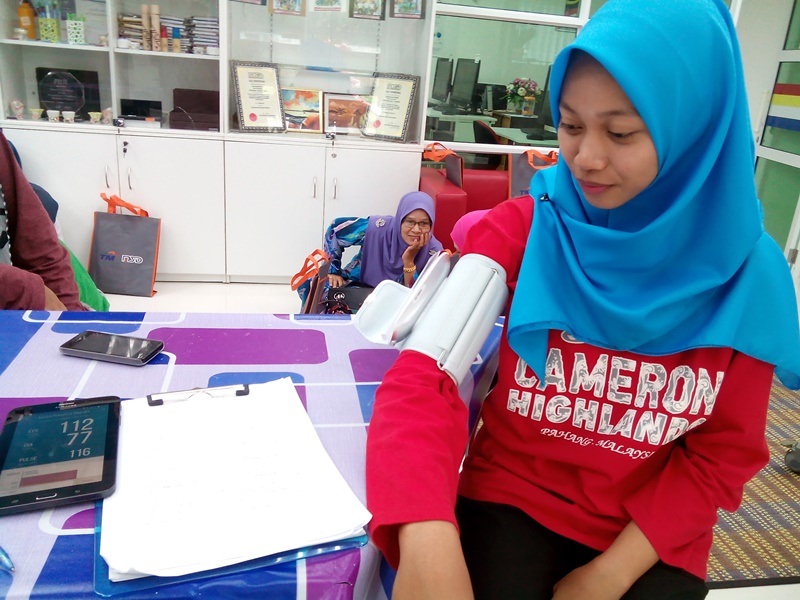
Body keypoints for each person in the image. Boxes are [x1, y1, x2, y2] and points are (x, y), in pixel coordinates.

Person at [365, 1, 800, 599]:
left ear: (694, 131)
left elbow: (721, 455)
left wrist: (607, 576)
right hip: (515, 496)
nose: (586, 159)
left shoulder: (748, 279)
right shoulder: (527, 230)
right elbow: (421, 380)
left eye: (620, 133)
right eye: (571, 126)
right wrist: (424, 536)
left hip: (649, 526)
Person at [297, 191, 444, 305]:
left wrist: (409, 261)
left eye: (424, 224)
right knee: (315, 286)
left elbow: (416, 298)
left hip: (394, 303)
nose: (416, 230)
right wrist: (332, 271)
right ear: (400, 220)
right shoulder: (378, 229)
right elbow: (336, 229)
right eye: (410, 222)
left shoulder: (433, 251)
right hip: (358, 288)